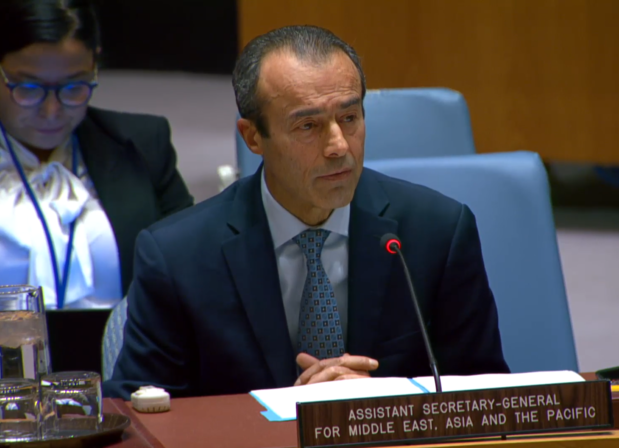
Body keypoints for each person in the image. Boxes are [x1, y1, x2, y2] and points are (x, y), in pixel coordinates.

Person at [104, 25, 509, 399]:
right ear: (253, 137)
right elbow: (140, 411)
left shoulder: (436, 233)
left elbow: (485, 394)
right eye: (308, 127)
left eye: (349, 118)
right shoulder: (178, 257)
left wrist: (389, 401)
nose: (339, 146)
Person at [0, 0, 193, 333]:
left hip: (123, 363)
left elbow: (190, 272)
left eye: (74, 87)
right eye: (28, 88)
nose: (52, 111)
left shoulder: (143, 145)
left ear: (94, 65)